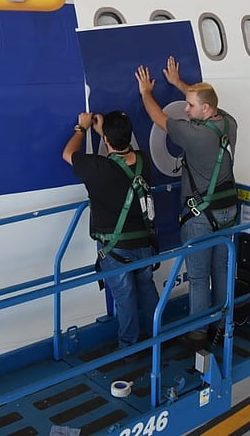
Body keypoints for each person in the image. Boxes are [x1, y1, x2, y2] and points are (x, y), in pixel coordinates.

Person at [135, 56, 238, 345]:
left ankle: (197, 333)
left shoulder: (194, 135)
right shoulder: (229, 123)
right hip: (228, 209)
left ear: (206, 108)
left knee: (197, 276)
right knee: (221, 270)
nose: (186, 108)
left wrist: (146, 92)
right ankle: (221, 326)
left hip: (200, 217)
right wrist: (180, 84)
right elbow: (203, 102)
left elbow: (159, 118)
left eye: (191, 105)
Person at [62, 110, 160, 350]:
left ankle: (129, 347)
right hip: (145, 243)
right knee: (146, 287)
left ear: (105, 140)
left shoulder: (97, 168)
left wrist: (82, 128)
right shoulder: (143, 160)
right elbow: (120, 164)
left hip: (115, 248)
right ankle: (158, 335)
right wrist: (105, 133)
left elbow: (69, 154)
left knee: (125, 298)